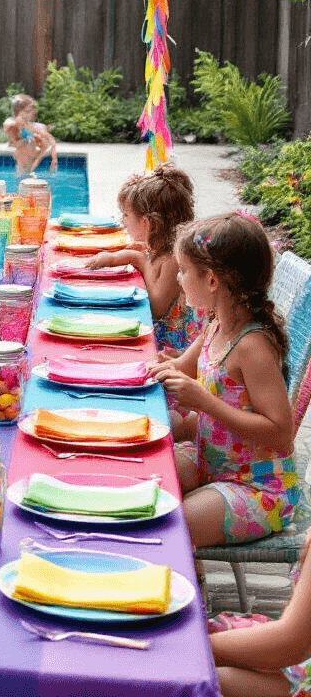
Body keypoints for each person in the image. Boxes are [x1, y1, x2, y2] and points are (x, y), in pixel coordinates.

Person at [150, 213, 301, 549]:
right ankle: (195, 572)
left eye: (184, 270)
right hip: (212, 460)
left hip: (259, 486)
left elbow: (280, 433)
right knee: (146, 483)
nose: (179, 277)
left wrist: (206, 403)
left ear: (213, 280)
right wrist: (154, 367)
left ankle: (182, 585)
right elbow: (182, 368)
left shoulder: (253, 346)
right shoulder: (217, 323)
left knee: (172, 526)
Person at [87, 165, 205, 354]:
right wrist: (116, 257)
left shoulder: (173, 260)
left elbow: (156, 308)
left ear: (148, 223)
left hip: (171, 350)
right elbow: (137, 255)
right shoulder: (156, 248)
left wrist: (139, 260)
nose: (122, 220)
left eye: (126, 215)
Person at [211, 531, 311, 696]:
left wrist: (201, 650)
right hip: (297, 654)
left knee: (199, 681)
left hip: (299, 662)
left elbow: (292, 642)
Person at [3, 94, 58, 175]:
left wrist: (54, 159)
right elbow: (14, 141)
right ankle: (28, 172)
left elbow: (49, 138)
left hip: (26, 158)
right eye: (28, 111)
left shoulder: (26, 123)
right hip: (22, 156)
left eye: (31, 110)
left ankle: (30, 170)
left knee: (41, 142)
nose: (31, 113)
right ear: (19, 112)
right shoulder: (12, 123)